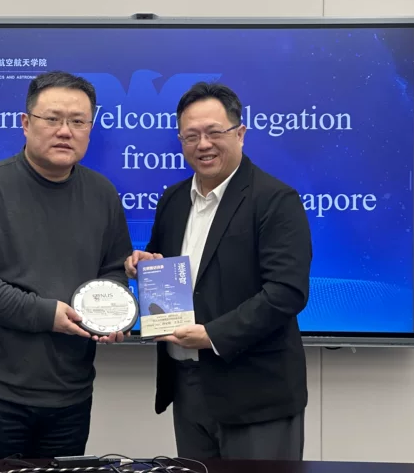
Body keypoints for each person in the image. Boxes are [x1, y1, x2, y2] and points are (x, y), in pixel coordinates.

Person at [0, 71, 133, 459]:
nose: (65, 131)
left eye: (78, 121)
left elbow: (113, 269)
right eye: (53, 119)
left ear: (90, 129)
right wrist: (44, 314)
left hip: (71, 395)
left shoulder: (103, 194)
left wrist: (113, 314)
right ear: (26, 124)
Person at [125, 82, 312, 461]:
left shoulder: (275, 200)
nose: (203, 144)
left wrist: (213, 335)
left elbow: (286, 292)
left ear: (240, 133)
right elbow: (165, 268)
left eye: (213, 132)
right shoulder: (173, 199)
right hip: (187, 385)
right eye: (191, 136)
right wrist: (141, 266)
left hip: (256, 394)